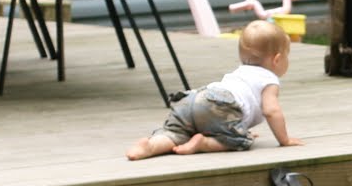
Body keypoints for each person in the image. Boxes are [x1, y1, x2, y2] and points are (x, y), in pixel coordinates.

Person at [126, 19, 302, 160]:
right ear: (277, 59)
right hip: (219, 106)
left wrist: (239, 126)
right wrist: (284, 140)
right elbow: (271, 111)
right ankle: (204, 144)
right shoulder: (268, 79)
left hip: (193, 98)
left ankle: (150, 146)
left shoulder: (241, 72)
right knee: (242, 141)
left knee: (175, 133)